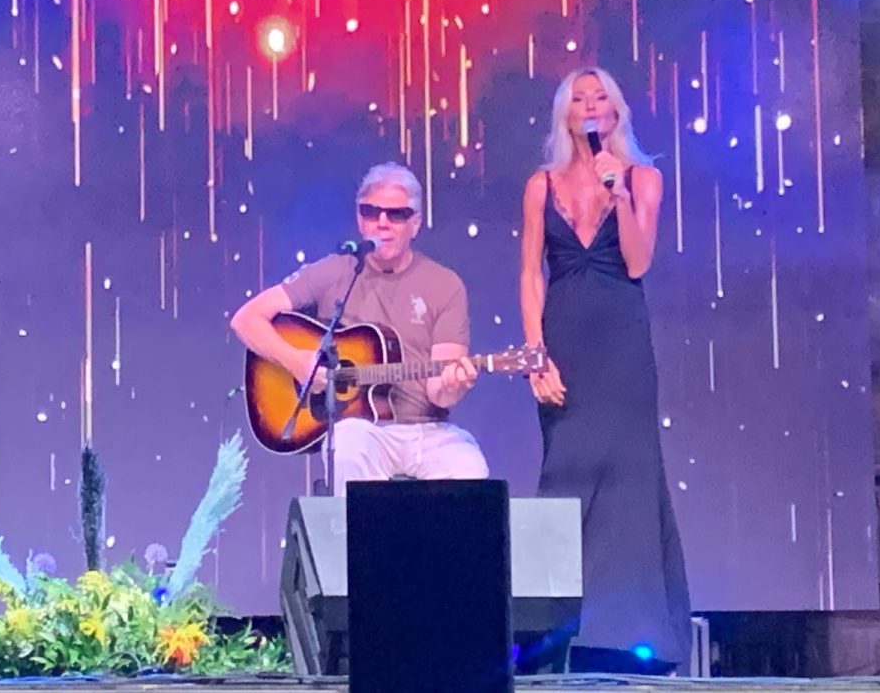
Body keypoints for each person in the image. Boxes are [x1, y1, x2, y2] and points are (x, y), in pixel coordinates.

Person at [519, 67, 691, 674]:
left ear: (616, 112)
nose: (590, 107)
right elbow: (530, 273)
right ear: (565, 114)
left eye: (601, 98)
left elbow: (639, 263)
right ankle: (549, 636)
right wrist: (535, 354)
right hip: (564, 343)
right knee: (565, 474)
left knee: (629, 477)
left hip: (622, 344)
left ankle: (633, 633)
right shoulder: (540, 185)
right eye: (579, 99)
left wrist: (618, 194)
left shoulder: (643, 178)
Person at [230, 162, 487, 494]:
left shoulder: (445, 284)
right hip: (362, 430)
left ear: (416, 223)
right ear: (359, 218)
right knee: (348, 447)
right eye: (371, 212)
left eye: (396, 215)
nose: (382, 223)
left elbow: (440, 391)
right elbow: (246, 319)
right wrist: (296, 362)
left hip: (429, 431)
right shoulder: (333, 272)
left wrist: (454, 385)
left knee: (469, 468)